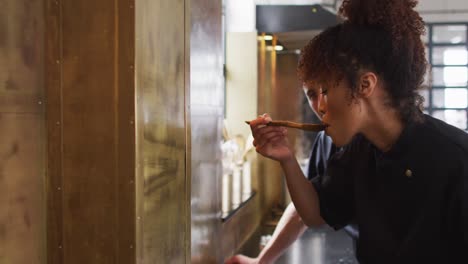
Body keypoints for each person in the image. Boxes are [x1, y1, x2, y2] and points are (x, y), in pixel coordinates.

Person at [247, 0, 468, 263]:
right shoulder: (357, 150)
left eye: (325, 92)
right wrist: (286, 159)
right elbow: (316, 214)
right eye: (311, 95)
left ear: (365, 84)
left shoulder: (456, 159)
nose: (318, 107)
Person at [225, 84, 348, 264]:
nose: (321, 105)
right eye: (312, 94)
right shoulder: (327, 140)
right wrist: (262, 260)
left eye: (326, 91)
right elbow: (308, 210)